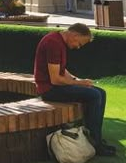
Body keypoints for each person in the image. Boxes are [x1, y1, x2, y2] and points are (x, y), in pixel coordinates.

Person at [33, 23, 116, 156]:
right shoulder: (53, 42)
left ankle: (96, 138)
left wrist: (78, 81)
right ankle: (94, 142)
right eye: (80, 43)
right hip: (49, 89)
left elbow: (61, 69)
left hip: (55, 87)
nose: (78, 47)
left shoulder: (59, 41)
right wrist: (79, 83)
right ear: (75, 35)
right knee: (95, 95)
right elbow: (55, 79)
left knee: (101, 92)